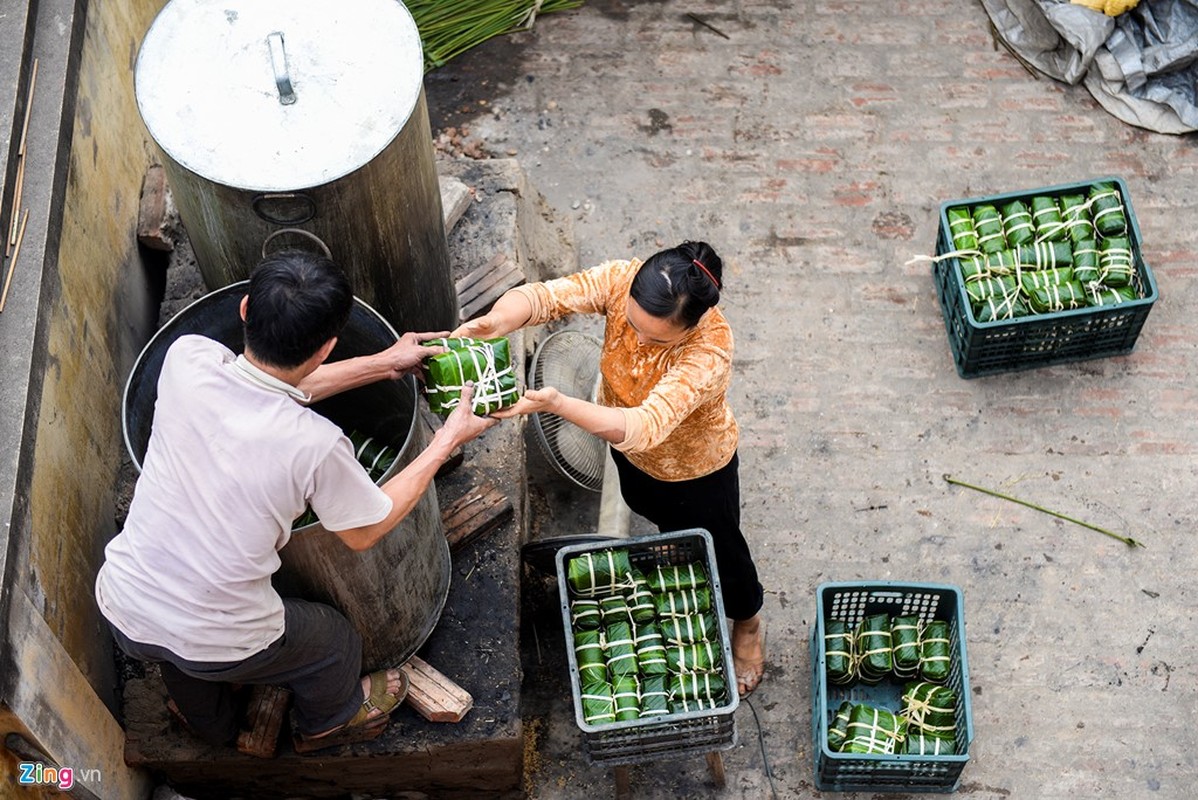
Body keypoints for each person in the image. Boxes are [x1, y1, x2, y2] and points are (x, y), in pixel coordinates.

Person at [95, 250, 497, 751]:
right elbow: (365, 530)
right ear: (328, 346)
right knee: (332, 641)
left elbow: (275, 385)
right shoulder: (315, 445)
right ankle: (329, 720)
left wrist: (385, 363)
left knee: (179, 656)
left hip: (125, 605)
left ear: (244, 310)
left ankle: (212, 725)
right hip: (221, 637)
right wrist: (445, 442)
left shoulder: (187, 357)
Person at [452, 240, 767, 697]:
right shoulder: (623, 279)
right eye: (633, 325)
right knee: (651, 509)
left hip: (695, 469)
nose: (637, 340)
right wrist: (497, 320)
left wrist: (559, 404)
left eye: (657, 339)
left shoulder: (709, 351)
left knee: (723, 553)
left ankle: (749, 623)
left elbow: (643, 426)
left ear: (692, 326)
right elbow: (547, 297)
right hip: (632, 457)